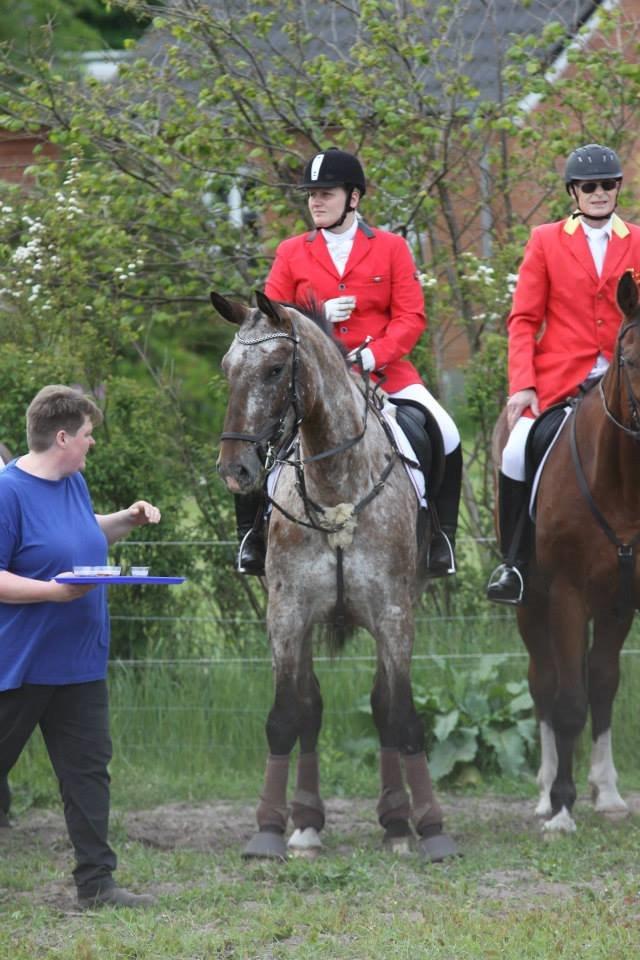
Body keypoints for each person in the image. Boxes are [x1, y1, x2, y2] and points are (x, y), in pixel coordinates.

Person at [233, 147, 463, 578]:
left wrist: (374, 353)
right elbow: (273, 319)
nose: (316, 201)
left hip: (386, 374)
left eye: (326, 193)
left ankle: (440, 538)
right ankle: (251, 535)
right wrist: (314, 310)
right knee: (254, 429)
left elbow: (412, 317)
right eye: (311, 194)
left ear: (353, 198)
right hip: (311, 384)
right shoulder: (291, 252)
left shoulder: (392, 248)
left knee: (446, 432)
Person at [0, 385, 161, 909]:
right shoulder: (7, 493)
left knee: (88, 772)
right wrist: (52, 592)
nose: (93, 444)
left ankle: (97, 885)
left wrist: (126, 520)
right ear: (63, 436)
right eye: (88, 435)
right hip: (20, 666)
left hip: (80, 663)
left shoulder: (73, 483)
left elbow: (78, 534)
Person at [487, 143, 640, 604]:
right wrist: (523, 385)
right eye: (589, 186)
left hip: (627, 378)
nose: (599, 193)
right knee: (515, 451)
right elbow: (524, 320)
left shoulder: (638, 239)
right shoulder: (545, 240)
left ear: (617, 188)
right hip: (562, 380)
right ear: (574, 192)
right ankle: (514, 562)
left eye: (607, 185)